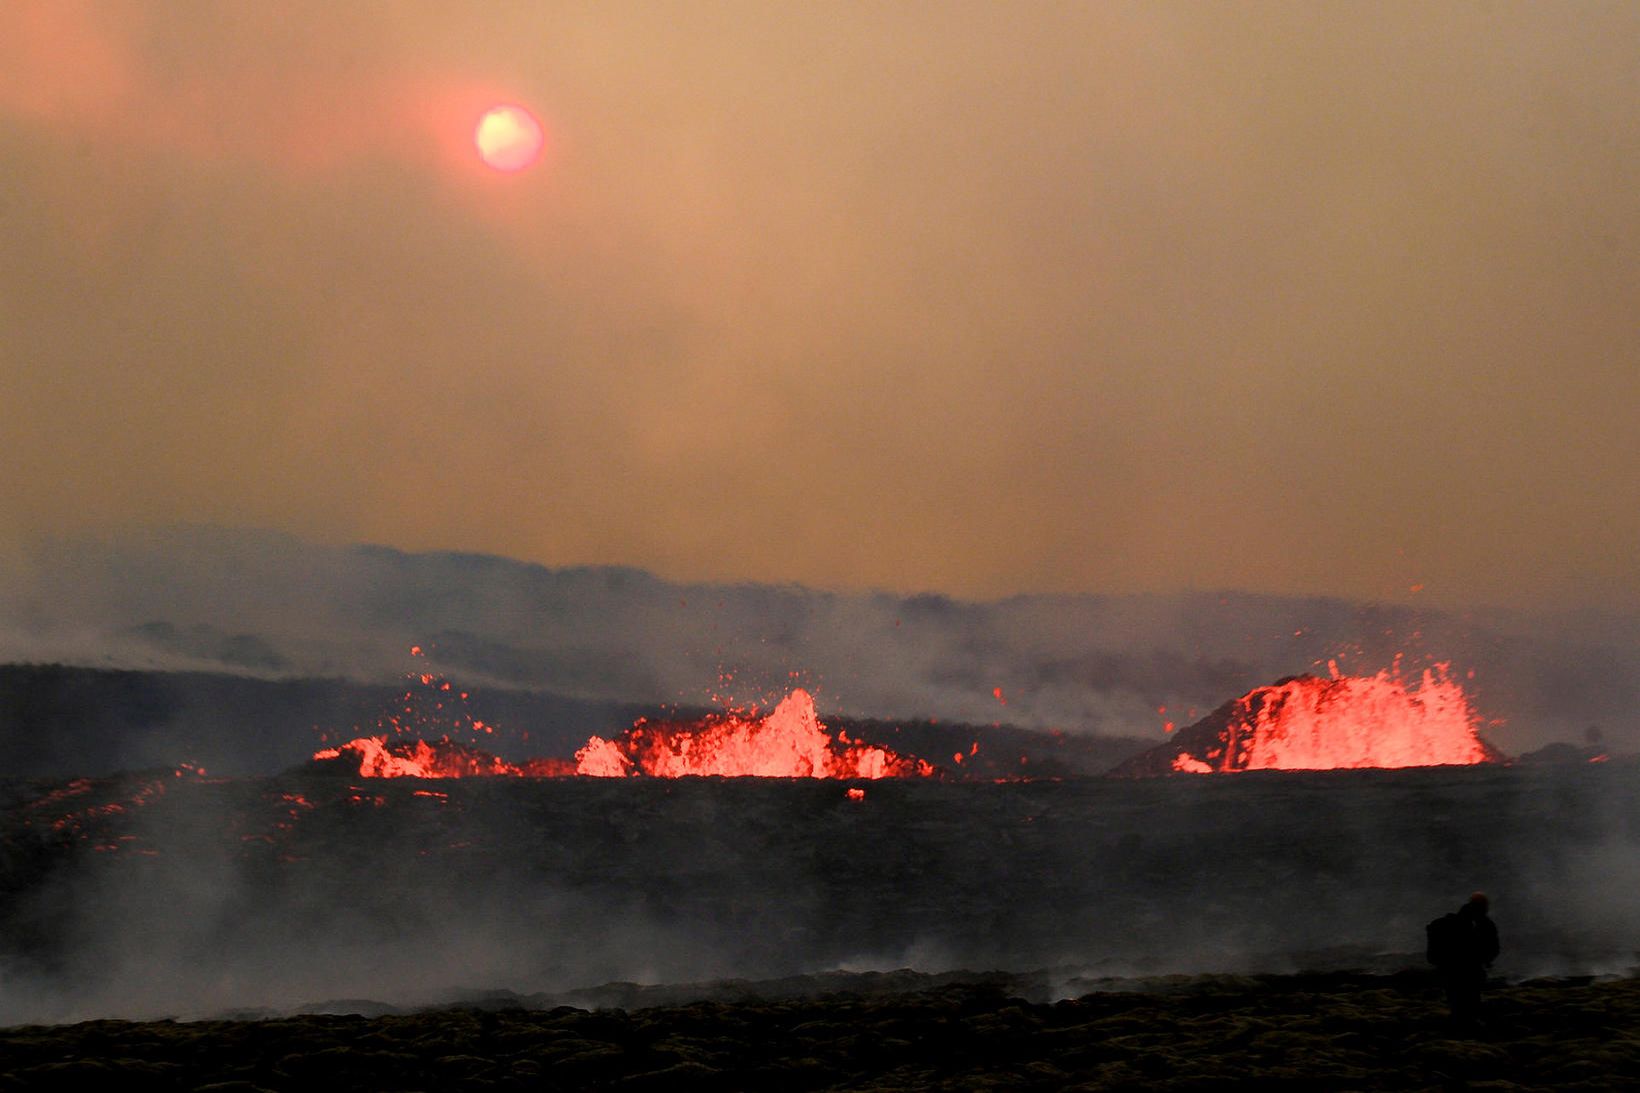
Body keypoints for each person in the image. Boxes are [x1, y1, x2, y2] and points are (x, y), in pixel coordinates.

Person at [1427, 892, 1500, 1025]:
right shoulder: (1481, 924)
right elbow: (1492, 948)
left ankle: (1459, 1026)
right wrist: (1485, 959)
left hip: (1451, 970)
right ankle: (1465, 1027)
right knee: (1468, 1001)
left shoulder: (1454, 922)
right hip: (1467, 970)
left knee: (1458, 1001)